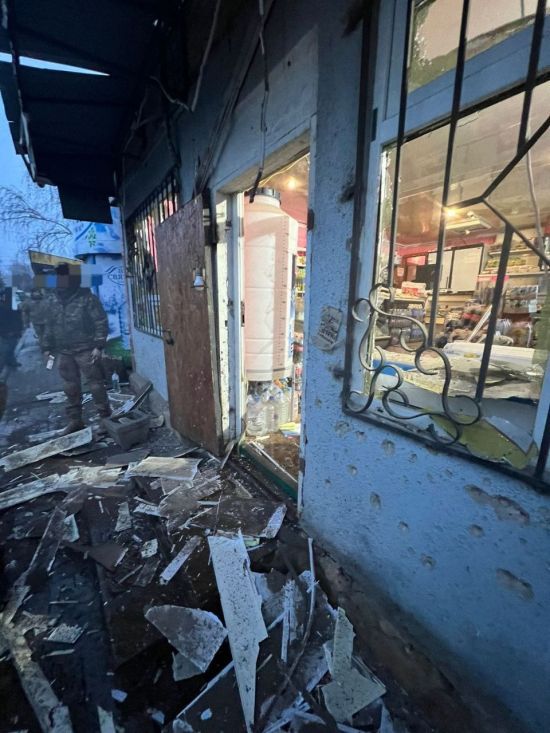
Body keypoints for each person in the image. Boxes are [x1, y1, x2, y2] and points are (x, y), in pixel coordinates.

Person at [42, 264, 111, 434]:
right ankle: (75, 420)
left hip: (86, 349)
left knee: (96, 384)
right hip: (64, 351)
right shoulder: (53, 299)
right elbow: (48, 325)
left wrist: (98, 346)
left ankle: (106, 420)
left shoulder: (87, 298)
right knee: (70, 386)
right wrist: (46, 347)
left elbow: (100, 322)